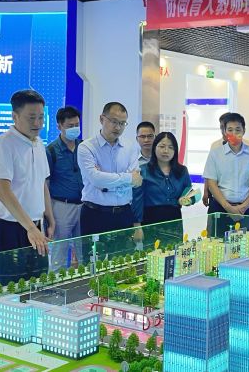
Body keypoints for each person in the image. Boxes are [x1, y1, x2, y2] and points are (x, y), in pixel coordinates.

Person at [0, 89, 53, 288]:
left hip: (36, 228)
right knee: (6, 291)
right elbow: (3, 192)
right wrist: (30, 228)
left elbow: (42, 183)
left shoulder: (39, 144)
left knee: (37, 286)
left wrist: (49, 217)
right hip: (8, 230)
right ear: (15, 116)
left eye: (41, 117)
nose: (37, 123)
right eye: (31, 118)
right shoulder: (3, 144)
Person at [77, 102, 143, 254]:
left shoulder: (131, 147)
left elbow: (136, 181)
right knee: (93, 263)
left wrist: (106, 182)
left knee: (124, 261)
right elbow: (96, 179)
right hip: (95, 214)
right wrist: (127, 178)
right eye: (114, 121)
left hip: (124, 214)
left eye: (122, 123)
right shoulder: (86, 147)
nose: (118, 127)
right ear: (102, 119)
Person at [203, 112, 249, 236]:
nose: (234, 133)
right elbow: (212, 183)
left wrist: (244, 207)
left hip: (245, 209)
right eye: (230, 130)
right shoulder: (215, 154)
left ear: (244, 131)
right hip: (219, 208)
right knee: (216, 244)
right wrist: (228, 207)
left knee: (244, 245)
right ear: (225, 132)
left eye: (238, 130)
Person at [46, 106, 83, 270]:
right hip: (61, 206)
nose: (75, 128)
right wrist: (49, 215)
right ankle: (56, 283)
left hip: (84, 205)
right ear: (59, 126)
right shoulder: (51, 151)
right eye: (70, 126)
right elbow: (45, 184)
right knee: (59, 253)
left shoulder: (84, 147)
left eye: (77, 125)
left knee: (85, 251)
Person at [133, 132, 195, 226]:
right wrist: (137, 226)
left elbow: (190, 193)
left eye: (170, 147)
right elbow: (137, 201)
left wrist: (189, 200)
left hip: (174, 219)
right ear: (154, 147)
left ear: (175, 150)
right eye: (162, 146)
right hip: (150, 219)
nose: (166, 151)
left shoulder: (182, 171)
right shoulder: (143, 170)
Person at [204, 112, 249, 207]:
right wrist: (206, 191)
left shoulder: (247, 145)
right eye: (222, 127)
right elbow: (209, 173)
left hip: (242, 198)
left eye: (237, 129)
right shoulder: (215, 146)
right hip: (218, 197)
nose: (222, 130)